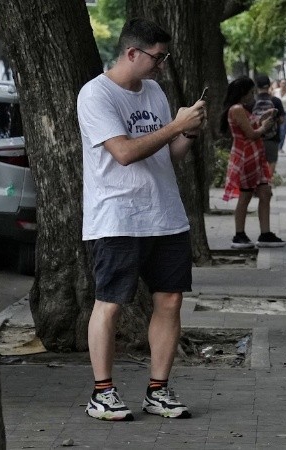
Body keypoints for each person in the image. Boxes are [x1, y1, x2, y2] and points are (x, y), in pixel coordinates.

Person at [77, 18, 206, 421]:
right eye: (158, 58)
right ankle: (102, 392)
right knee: (110, 303)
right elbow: (125, 153)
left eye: (164, 58)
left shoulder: (154, 92)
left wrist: (189, 132)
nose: (162, 66)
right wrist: (174, 126)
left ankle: (158, 390)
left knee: (169, 300)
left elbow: (167, 157)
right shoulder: (95, 95)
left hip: (165, 215)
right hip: (118, 217)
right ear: (132, 53)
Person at [220, 76, 286, 249]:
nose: (253, 95)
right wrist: (265, 126)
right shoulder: (236, 109)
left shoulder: (242, 109)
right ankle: (239, 234)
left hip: (255, 156)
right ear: (243, 93)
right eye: (251, 92)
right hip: (245, 157)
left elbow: (251, 125)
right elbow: (251, 133)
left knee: (265, 192)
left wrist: (264, 117)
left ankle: (265, 234)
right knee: (246, 195)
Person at [252, 74, 284, 175]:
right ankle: (268, 184)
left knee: (256, 163)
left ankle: (258, 185)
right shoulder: (276, 101)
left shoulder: (252, 101)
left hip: (255, 136)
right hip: (272, 138)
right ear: (269, 85)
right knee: (271, 161)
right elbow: (282, 120)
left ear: (256, 86)